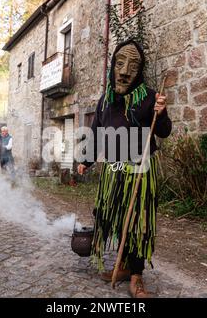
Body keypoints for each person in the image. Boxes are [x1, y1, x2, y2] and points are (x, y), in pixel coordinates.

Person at [77, 40, 172, 298]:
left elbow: (163, 131)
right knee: (115, 219)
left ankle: (137, 276)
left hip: (139, 173)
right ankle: (122, 266)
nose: (125, 70)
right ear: (112, 66)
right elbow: (96, 134)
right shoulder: (105, 100)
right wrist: (85, 160)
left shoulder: (150, 98)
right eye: (120, 63)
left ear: (139, 70)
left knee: (138, 224)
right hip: (112, 171)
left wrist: (161, 114)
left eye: (133, 65)